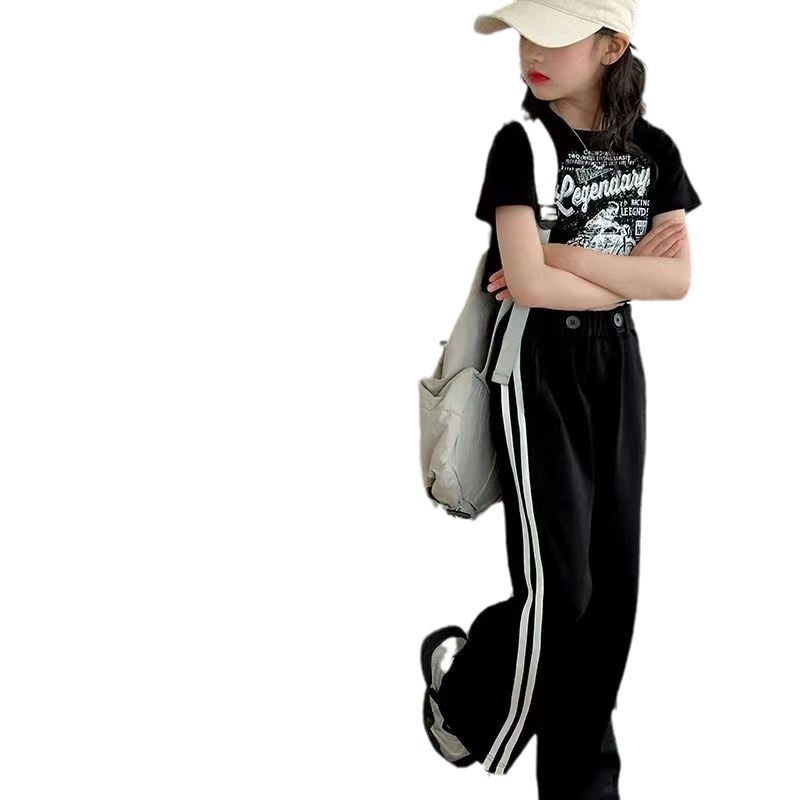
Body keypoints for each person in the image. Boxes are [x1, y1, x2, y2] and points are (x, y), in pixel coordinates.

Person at [419, 0, 702, 795]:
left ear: (611, 46)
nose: (530, 54)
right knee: (562, 588)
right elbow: (529, 286)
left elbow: (678, 280)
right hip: (536, 368)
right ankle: (464, 708)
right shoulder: (521, 144)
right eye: (524, 37)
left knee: (612, 591)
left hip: (617, 366)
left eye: (553, 37)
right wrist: (622, 271)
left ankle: (589, 785)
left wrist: (562, 255)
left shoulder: (655, 150)